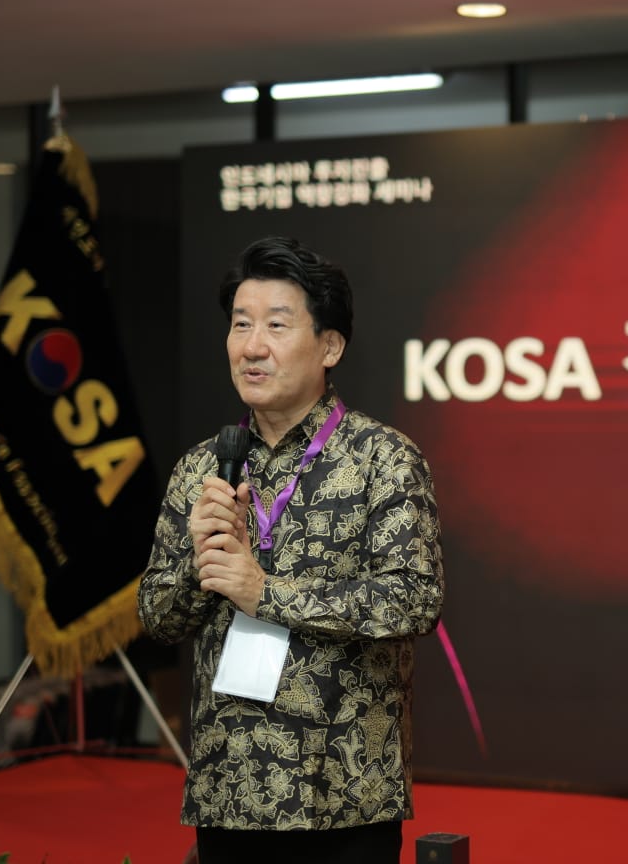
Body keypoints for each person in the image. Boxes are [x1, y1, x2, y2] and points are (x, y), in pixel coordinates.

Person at [138, 236, 444, 864]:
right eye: (240, 324)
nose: (252, 346)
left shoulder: (382, 459)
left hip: (344, 794)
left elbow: (413, 599)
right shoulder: (202, 468)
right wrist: (200, 563)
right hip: (228, 788)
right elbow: (156, 619)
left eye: (276, 325)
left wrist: (265, 593)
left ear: (330, 347)